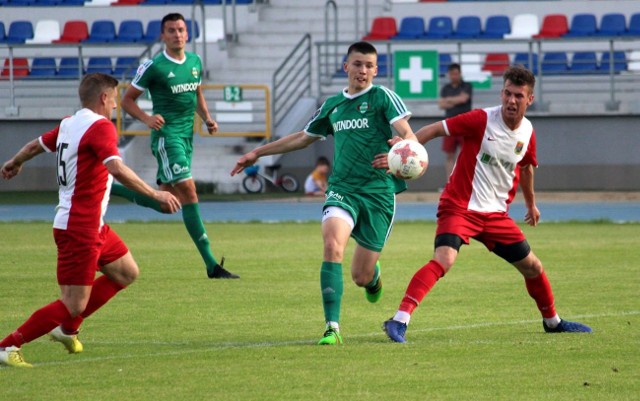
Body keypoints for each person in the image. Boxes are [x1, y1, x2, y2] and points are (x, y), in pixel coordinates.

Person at [379, 66, 592, 343]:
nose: (511, 100)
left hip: (495, 217)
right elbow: (433, 130)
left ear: (530, 99)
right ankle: (399, 320)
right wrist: (405, 148)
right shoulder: (481, 119)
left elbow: (526, 168)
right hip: (459, 207)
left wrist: (531, 204)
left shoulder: (527, 132)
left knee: (533, 267)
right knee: (444, 260)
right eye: (507, 93)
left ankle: (552, 322)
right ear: (501, 93)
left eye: (518, 95)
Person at [231, 41, 419, 345]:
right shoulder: (333, 105)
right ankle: (332, 327)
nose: (363, 70)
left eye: (370, 65)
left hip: (378, 193)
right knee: (332, 245)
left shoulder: (382, 97)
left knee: (360, 276)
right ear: (346, 67)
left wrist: (399, 150)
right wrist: (258, 153)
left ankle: (371, 278)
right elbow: (303, 138)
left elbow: (408, 134)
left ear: (375, 70)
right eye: (357, 64)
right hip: (342, 189)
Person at [0, 73, 182, 368]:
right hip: (78, 227)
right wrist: (154, 194)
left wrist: (15, 161)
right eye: (114, 99)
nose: (115, 106)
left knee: (126, 272)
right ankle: (7, 345)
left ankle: (67, 329)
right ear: (103, 98)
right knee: (73, 303)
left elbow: (35, 146)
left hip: (91, 225)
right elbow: (117, 169)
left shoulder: (69, 124)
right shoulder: (100, 127)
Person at [120, 13, 238, 279]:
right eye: (171, 30)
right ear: (163, 35)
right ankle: (211, 264)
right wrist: (147, 118)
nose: (177, 34)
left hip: (186, 137)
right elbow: (127, 100)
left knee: (166, 202)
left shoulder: (195, 61)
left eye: (181, 30)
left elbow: (196, 93)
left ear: (187, 34)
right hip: (167, 137)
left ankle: (111, 187)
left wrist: (206, 118)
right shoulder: (154, 66)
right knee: (189, 190)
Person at [438, 63, 473, 185]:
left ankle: (465, 182)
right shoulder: (445, 88)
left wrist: (449, 100)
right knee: (449, 155)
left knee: (466, 155)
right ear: (449, 74)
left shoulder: (467, 86)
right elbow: (441, 104)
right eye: (452, 74)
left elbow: (464, 99)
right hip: (449, 125)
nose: (454, 76)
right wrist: (456, 100)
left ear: (460, 73)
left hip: (465, 125)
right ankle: (450, 182)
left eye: (456, 73)